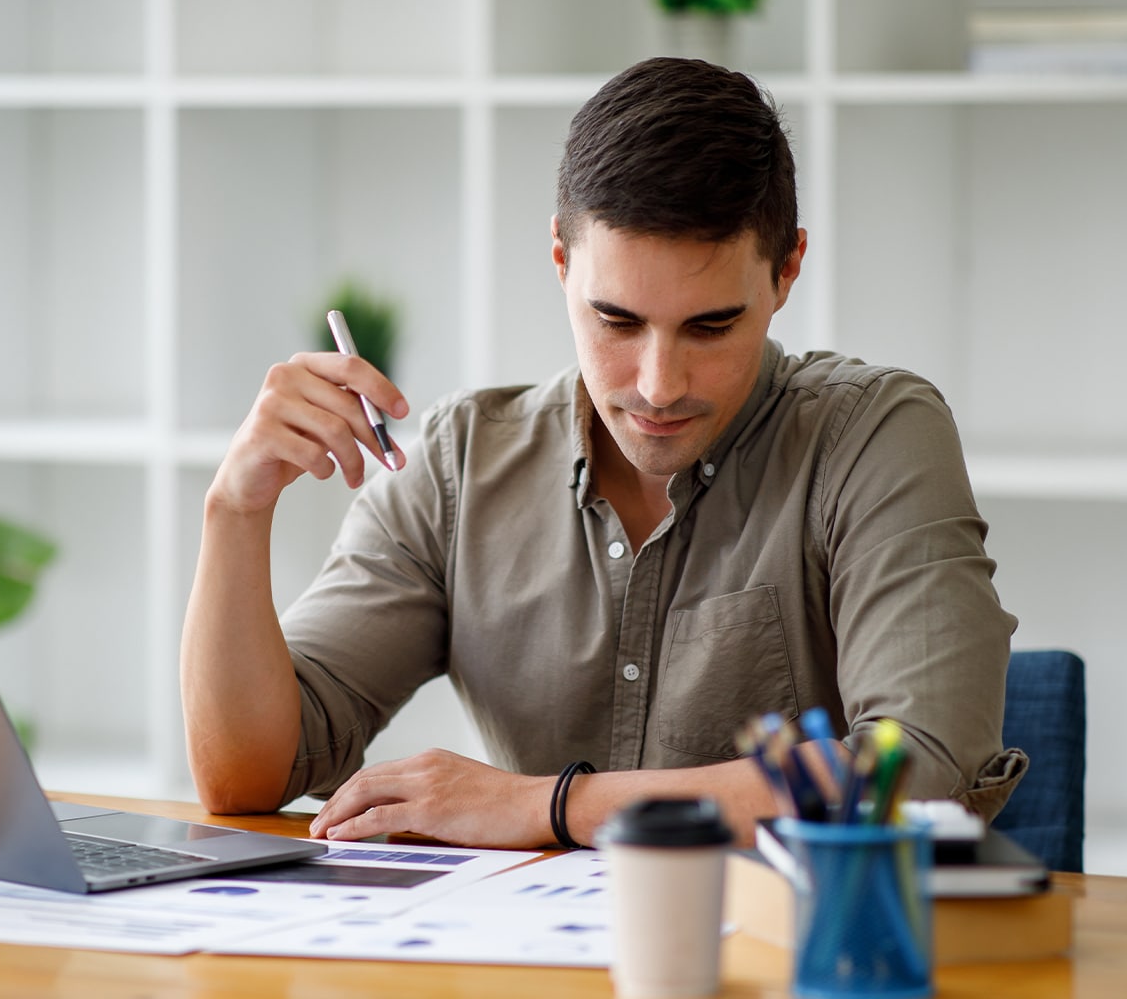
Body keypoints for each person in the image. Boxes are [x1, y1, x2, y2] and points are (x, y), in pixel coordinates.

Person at [182, 57, 1026, 850]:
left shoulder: (874, 435)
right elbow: (246, 778)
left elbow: (918, 770)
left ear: (786, 271)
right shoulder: (462, 463)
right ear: (559, 259)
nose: (659, 385)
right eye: (617, 321)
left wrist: (549, 805)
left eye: (710, 326)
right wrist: (235, 511)